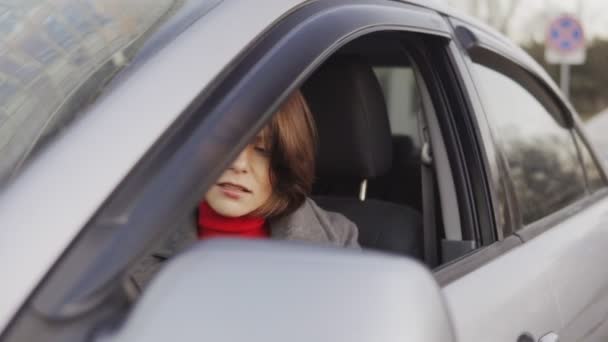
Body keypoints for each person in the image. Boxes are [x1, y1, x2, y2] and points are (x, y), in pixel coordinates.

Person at [129, 90, 359, 292]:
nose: (238, 164)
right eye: (224, 142)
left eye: (263, 150)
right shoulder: (125, 240)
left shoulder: (338, 244)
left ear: (287, 162)